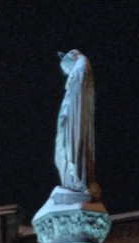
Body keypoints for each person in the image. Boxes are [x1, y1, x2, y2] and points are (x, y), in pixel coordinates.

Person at [54, 50, 101, 202]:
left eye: (67, 69)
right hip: (70, 119)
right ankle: (72, 179)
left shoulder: (81, 67)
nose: (67, 74)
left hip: (72, 120)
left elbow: (75, 99)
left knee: (68, 150)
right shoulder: (80, 72)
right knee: (62, 151)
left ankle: (75, 181)